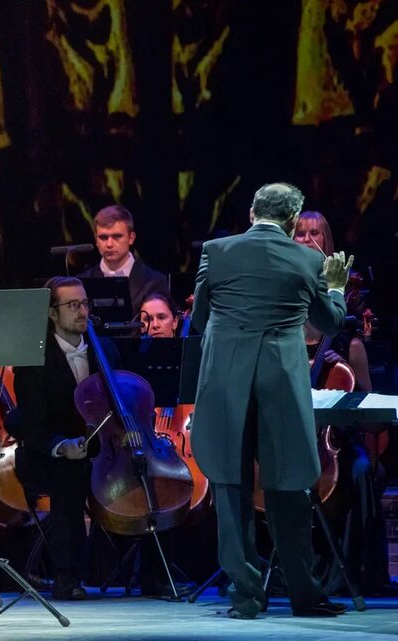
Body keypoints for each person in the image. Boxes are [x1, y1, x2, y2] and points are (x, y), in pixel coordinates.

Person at [190, 182, 352, 619]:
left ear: (251, 213)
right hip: (280, 382)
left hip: (225, 383)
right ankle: (305, 594)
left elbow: (200, 318)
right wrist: (336, 287)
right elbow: (329, 322)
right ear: (293, 221)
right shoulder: (308, 259)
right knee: (288, 489)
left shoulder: (215, 251)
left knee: (230, 487)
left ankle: (246, 597)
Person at [294, 212, 392, 595]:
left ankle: (353, 570)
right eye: (299, 233)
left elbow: (372, 421)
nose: (306, 239)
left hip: (335, 444)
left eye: (315, 233)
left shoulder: (347, 342)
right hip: (290, 439)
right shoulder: (282, 327)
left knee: (362, 469)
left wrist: (346, 378)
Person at [5, 276, 118, 600]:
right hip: (47, 455)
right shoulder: (33, 360)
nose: (83, 311)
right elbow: (31, 424)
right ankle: (66, 577)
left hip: (103, 450)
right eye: (73, 305)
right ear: (52, 313)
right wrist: (61, 446)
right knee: (70, 473)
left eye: (84, 303)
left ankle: (154, 574)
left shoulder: (106, 350)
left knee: (144, 471)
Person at [80, 205, 169, 313]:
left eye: (117, 236)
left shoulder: (155, 282)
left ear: (131, 238)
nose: (109, 244)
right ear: (96, 240)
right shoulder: (81, 283)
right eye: (103, 237)